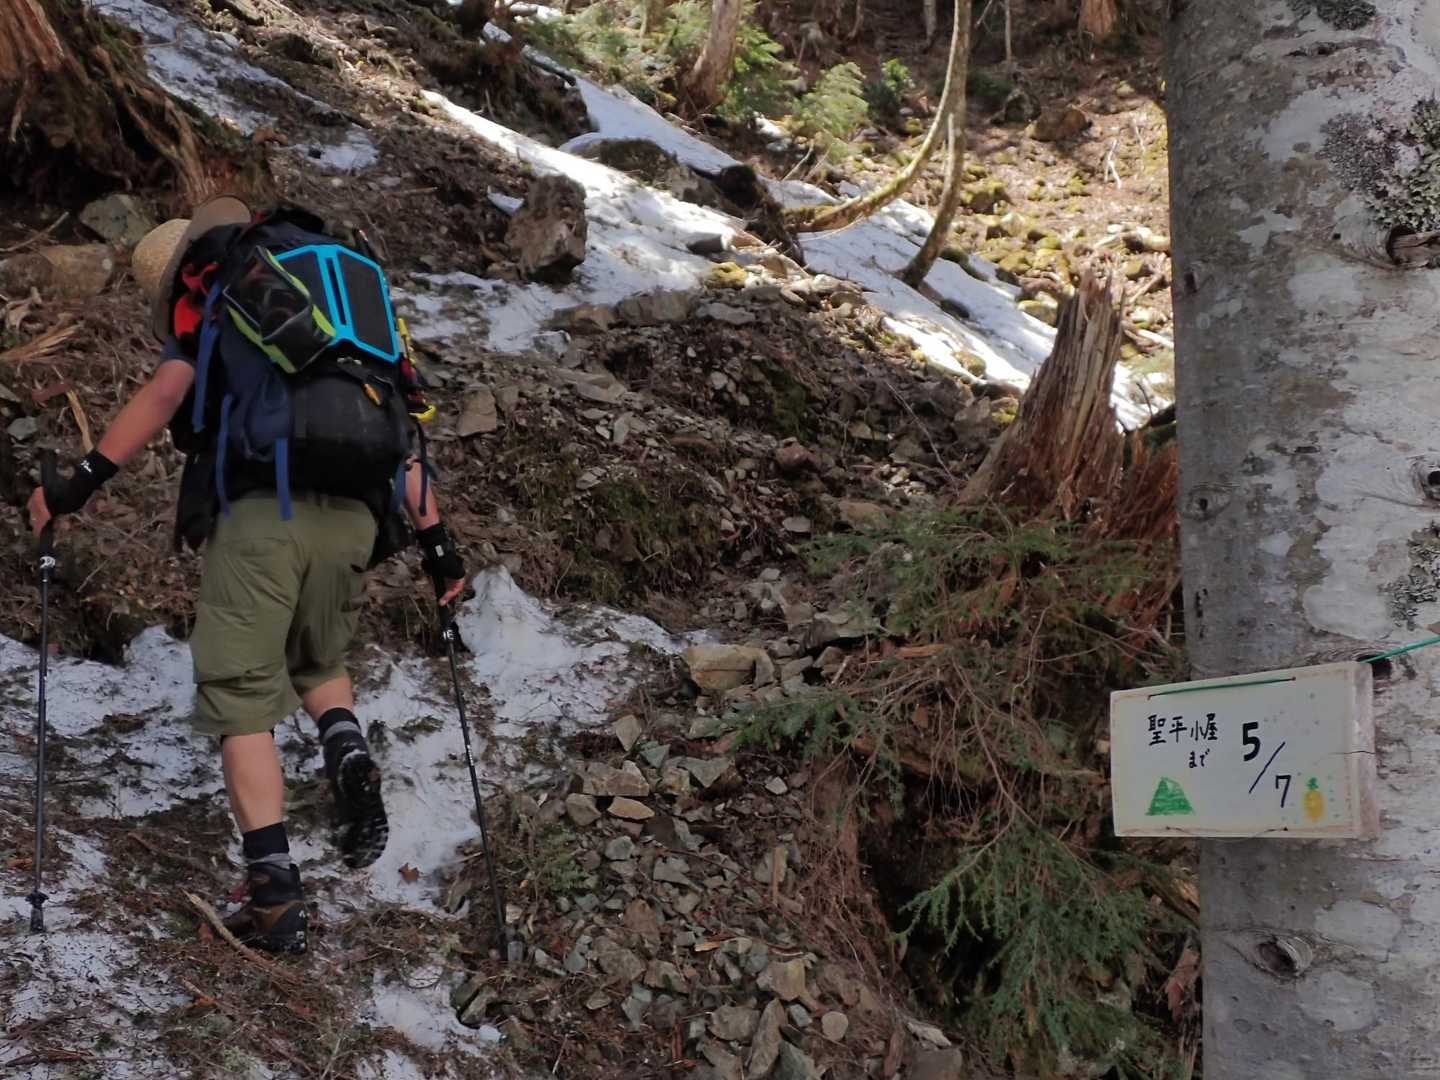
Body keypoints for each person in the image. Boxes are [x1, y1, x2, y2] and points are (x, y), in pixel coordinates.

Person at [26, 196, 466, 955]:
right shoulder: (343, 311)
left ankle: (274, 901)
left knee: (240, 698)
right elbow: (402, 447)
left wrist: (78, 485)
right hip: (356, 515)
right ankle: (346, 748)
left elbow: (167, 394)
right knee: (316, 658)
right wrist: (440, 551)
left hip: (264, 514)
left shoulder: (219, 297)